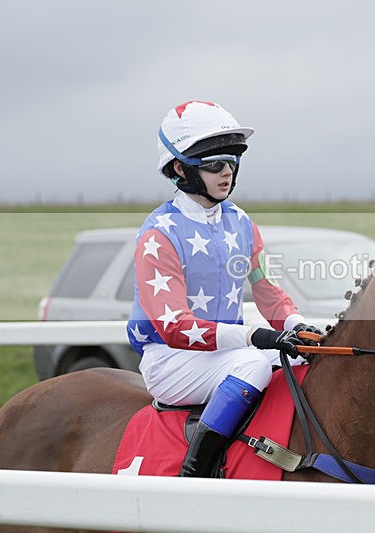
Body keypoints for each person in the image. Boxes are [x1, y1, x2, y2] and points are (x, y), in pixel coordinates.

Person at [126, 100, 322, 477]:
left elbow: (266, 289)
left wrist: (296, 324)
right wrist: (256, 336)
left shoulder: (242, 223)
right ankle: (195, 472)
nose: (226, 172)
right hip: (172, 359)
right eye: (214, 164)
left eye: (232, 161)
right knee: (251, 363)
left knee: (305, 358)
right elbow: (174, 327)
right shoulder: (158, 234)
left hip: (222, 354)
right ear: (180, 168)